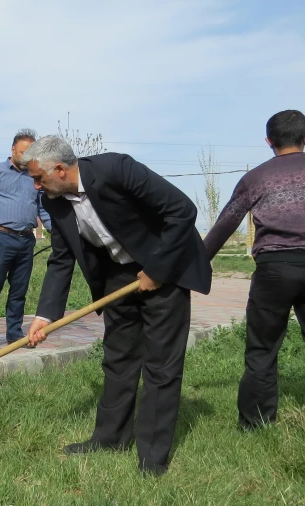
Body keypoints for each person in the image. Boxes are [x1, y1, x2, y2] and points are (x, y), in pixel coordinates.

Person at [23, 136, 211, 476]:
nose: (35, 185)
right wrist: (45, 315)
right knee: (119, 358)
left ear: (60, 169)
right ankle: (110, 437)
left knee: (160, 364)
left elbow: (182, 211)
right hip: (118, 275)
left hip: (164, 269)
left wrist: (156, 269)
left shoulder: (116, 170)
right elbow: (62, 258)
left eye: (38, 177)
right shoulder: (53, 200)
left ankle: (152, 456)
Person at [202, 109, 305, 430]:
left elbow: (223, 226)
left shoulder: (255, 178)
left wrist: (195, 262)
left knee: (262, 348)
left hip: (274, 269)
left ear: (268, 141)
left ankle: (255, 425)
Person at [0, 128, 51, 352]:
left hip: (26, 240)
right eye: (23, 152)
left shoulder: (35, 177)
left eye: (31, 153)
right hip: (1, 238)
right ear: (13, 149)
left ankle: (14, 332)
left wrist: (56, 230)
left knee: (19, 289)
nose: (26, 157)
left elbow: (42, 209)